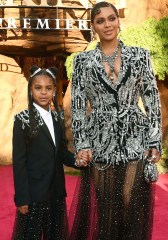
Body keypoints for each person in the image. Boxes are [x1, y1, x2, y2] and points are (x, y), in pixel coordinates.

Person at [69, 2, 162, 240]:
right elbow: (78, 108)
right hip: (100, 143)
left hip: (136, 140)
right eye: (101, 21)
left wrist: (154, 141)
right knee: (108, 209)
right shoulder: (82, 62)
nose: (107, 25)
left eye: (112, 18)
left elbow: (152, 101)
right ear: (93, 27)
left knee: (132, 207)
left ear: (118, 21)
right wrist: (83, 145)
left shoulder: (140, 56)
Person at [12, 66, 88, 240]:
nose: (43, 92)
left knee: (56, 235)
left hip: (56, 192)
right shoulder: (22, 120)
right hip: (34, 195)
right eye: (38, 88)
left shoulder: (57, 118)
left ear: (54, 90)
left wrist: (77, 161)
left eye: (48, 88)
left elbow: (61, 152)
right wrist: (22, 198)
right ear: (31, 90)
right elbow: (19, 162)